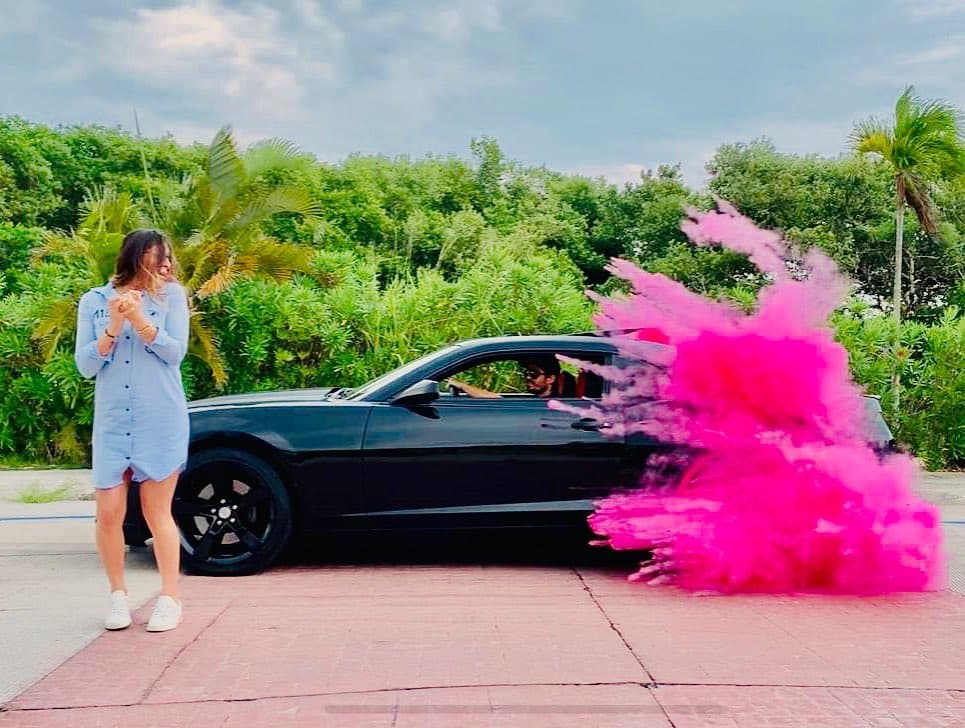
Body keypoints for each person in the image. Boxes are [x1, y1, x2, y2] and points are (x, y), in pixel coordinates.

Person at [74, 229, 190, 633]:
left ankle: (169, 597)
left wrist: (140, 320)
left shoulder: (172, 297)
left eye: (168, 259)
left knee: (157, 511)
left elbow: (175, 353)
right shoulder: (93, 301)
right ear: (136, 258)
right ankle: (118, 596)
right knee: (108, 513)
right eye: (158, 259)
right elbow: (86, 366)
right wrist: (114, 324)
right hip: (113, 422)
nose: (167, 266)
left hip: (161, 417)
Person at [448, 356, 571, 399]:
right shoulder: (536, 401)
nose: (528, 377)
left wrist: (462, 386)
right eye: (526, 373)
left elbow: (495, 399)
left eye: (534, 374)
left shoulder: (553, 404)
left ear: (550, 379)